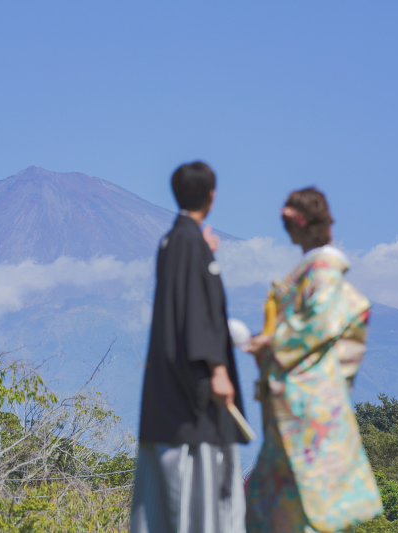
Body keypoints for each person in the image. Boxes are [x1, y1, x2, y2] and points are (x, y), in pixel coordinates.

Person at [244, 187, 383, 533]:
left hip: (308, 405)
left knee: (302, 503)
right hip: (303, 399)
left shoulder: (323, 271)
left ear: (301, 221)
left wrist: (272, 342)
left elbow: (318, 322)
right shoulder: (316, 269)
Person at [130, 162, 247, 533]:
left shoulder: (173, 241)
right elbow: (196, 312)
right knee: (197, 500)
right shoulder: (188, 243)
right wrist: (217, 369)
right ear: (212, 196)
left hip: (165, 392)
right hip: (191, 399)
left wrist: (205, 252)